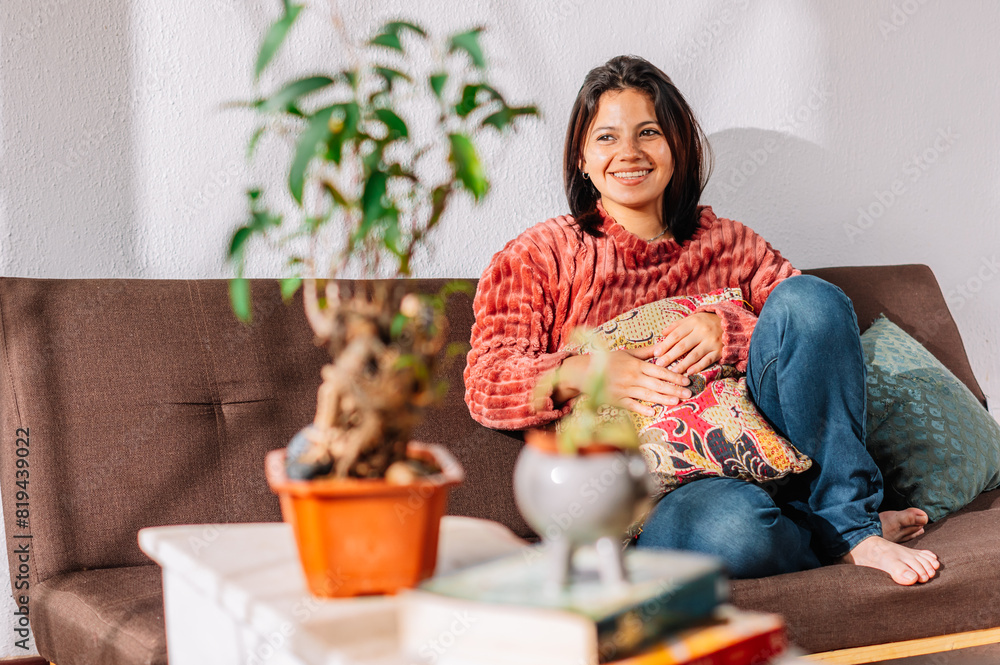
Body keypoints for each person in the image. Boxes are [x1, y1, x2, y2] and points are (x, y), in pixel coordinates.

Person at [463, 55, 939, 586]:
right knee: (735, 531)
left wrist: (730, 331)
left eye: (649, 132)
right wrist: (583, 371)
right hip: (663, 498)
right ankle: (827, 540)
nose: (629, 153)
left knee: (811, 297)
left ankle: (851, 526)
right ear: (580, 155)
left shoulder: (729, 244)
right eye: (606, 138)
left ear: (677, 148)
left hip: (779, 454)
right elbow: (487, 380)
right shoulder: (541, 255)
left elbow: (815, 334)